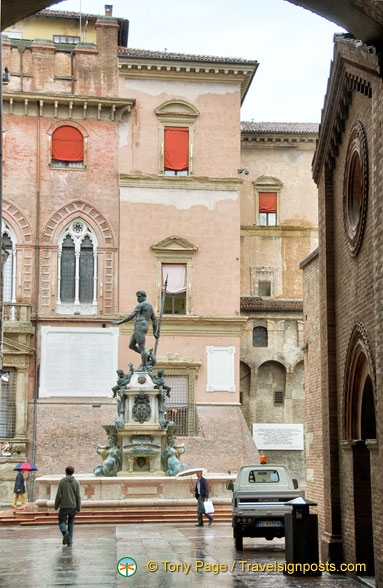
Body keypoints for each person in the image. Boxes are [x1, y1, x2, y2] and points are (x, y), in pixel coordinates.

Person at [111, 290, 158, 370]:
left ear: (143, 296)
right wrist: (154, 331)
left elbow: (131, 315)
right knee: (131, 345)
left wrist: (120, 322)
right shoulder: (150, 306)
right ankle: (146, 356)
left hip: (140, 325)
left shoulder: (141, 305)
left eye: (139, 297)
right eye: (137, 297)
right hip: (142, 325)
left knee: (142, 347)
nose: (137, 299)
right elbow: (154, 320)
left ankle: (144, 367)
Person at [54, 466, 81, 546]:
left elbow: (58, 494)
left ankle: (64, 532)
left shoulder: (62, 481)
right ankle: (69, 541)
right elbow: (78, 496)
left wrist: (56, 505)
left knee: (61, 521)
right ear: (73, 472)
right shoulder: (76, 482)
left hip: (64, 505)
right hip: (73, 506)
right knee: (71, 523)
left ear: (66, 472)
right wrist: (78, 507)